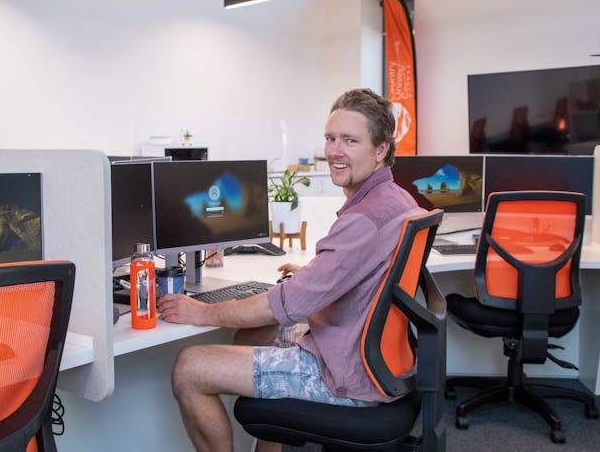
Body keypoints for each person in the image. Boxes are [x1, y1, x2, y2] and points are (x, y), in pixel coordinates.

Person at [157, 88, 425, 452]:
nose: (334, 151)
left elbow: (284, 305)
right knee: (254, 337)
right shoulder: (397, 199)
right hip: (377, 361)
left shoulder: (363, 219)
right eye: (330, 138)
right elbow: (368, 269)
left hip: (344, 375)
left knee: (190, 366)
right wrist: (318, 273)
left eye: (350, 140)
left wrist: (202, 311)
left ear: (380, 150)